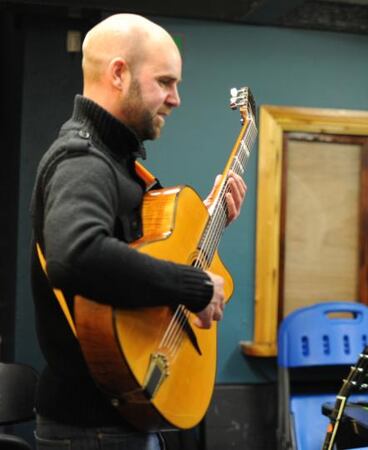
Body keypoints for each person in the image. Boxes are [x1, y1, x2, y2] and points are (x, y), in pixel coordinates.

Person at [29, 13, 247, 449]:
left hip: (117, 420)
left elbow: (131, 255)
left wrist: (204, 223)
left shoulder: (114, 161)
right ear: (118, 73)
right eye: (165, 82)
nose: (176, 99)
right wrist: (195, 286)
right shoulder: (82, 160)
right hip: (93, 430)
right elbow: (77, 255)